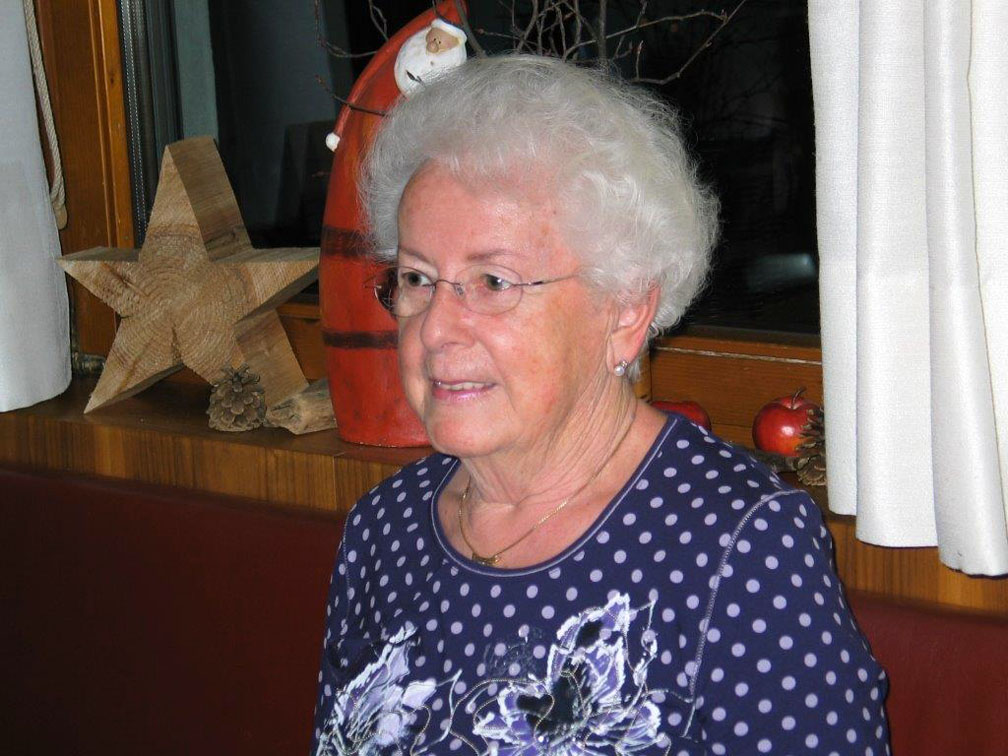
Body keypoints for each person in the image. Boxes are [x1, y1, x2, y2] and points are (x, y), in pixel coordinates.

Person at [311, 55, 890, 755]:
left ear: (625, 310)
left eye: (493, 281)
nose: (435, 329)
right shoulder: (383, 531)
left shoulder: (740, 548)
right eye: (416, 278)